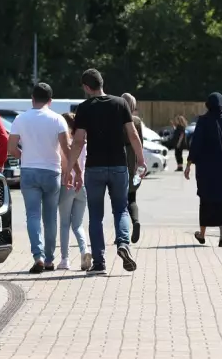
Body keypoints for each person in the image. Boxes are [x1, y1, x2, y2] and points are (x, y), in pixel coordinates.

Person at [63, 69, 145, 275]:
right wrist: (140, 160)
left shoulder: (84, 108)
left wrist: (69, 169)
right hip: (118, 166)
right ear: (102, 83)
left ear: (86, 87)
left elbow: (79, 141)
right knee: (121, 209)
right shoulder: (120, 103)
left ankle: (99, 262)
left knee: (96, 216)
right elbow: (133, 135)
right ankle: (123, 244)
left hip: (95, 168)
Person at [8, 83, 81, 274]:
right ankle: (49, 260)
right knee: (49, 218)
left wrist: (23, 155)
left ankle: (37, 256)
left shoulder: (19, 119)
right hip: (52, 172)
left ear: (32, 98)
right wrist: (73, 171)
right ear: (51, 100)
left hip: (29, 171)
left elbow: (11, 148)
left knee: (32, 215)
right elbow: (66, 150)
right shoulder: (58, 120)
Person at [184, 92, 222, 247]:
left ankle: (202, 234)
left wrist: (188, 164)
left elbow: (196, 144)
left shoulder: (203, 121)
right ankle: (221, 237)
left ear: (208, 105)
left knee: (205, 199)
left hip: (206, 166)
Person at [58, 112, 92, 271]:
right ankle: (85, 250)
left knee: (65, 224)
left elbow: (63, 164)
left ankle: (65, 259)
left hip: (67, 184)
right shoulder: (83, 143)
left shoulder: (64, 144)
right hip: (82, 186)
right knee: (78, 224)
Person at [121, 93, 144, 244]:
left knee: (119, 200)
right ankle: (135, 220)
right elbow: (140, 143)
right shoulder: (136, 121)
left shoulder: (115, 121)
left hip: (118, 161)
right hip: (133, 162)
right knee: (132, 197)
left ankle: (121, 232)